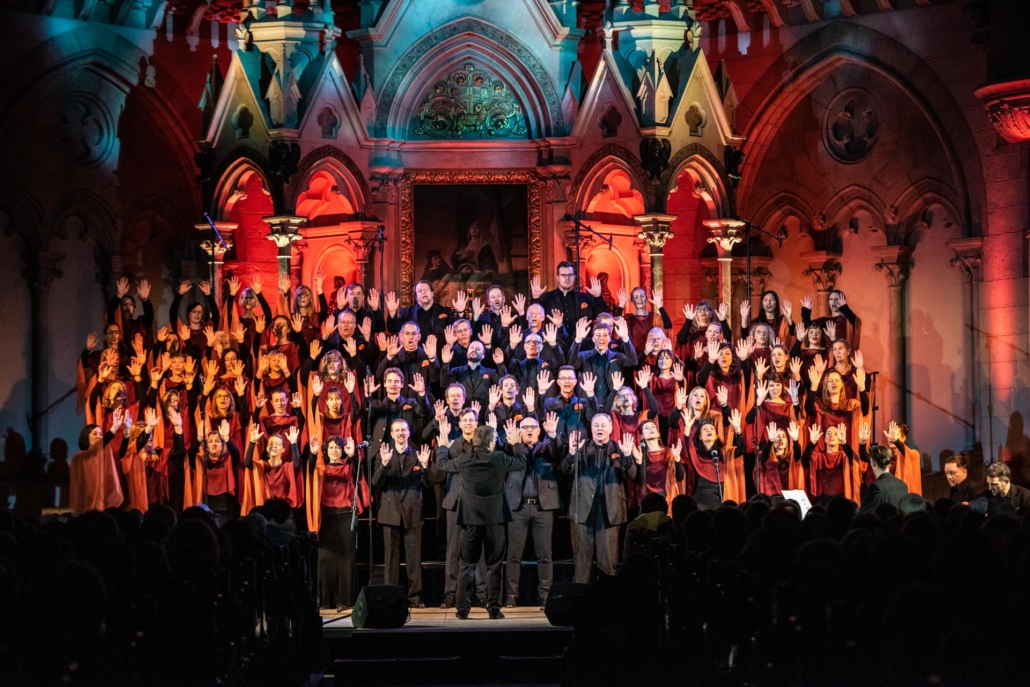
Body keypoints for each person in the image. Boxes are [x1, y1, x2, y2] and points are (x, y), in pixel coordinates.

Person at [436, 422, 527, 620]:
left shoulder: (464, 460)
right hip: (495, 522)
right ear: (492, 442)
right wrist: (517, 443)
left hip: (470, 522)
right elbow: (521, 462)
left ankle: (462, 610)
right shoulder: (500, 458)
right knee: (494, 566)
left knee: (466, 565)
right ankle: (493, 609)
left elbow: (441, 464)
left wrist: (443, 446)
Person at [560, 414, 638, 583]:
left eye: (603, 425)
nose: (600, 428)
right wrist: (572, 454)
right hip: (582, 509)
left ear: (610, 428)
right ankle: (580, 603)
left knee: (608, 562)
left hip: (609, 510)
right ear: (591, 429)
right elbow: (565, 470)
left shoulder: (619, 448)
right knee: (582, 563)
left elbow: (631, 475)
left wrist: (626, 456)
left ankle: (606, 604)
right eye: (596, 425)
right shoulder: (580, 447)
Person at [503, 413, 563, 610]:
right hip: (518, 507)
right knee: (513, 554)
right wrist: (515, 443)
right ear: (519, 431)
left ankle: (545, 596)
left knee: (544, 554)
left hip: (542, 508)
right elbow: (504, 454)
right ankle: (512, 595)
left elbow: (557, 453)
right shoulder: (512, 448)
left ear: (539, 430)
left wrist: (553, 435)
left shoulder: (547, 447)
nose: (529, 430)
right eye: (525, 427)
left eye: (533, 427)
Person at [373, 419, 433, 608]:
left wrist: (424, 466)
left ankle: (414, 597)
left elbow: (429, 483)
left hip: (412, 512)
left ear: (408, 433)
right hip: (390, 513)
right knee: (390, 559)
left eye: (403, 430)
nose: (400, 433)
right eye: (397, 430)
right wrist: (383, 464)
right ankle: (391, 597)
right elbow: (376, 482)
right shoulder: (384, 455)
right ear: (391, 434)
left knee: (414, 558)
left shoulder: (417, 455)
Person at [433, 408, 489, 610]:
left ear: (477, 423)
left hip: (478, 503)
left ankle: (481, 593)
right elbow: (443, 465)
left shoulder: (484, 445)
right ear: (460, 424)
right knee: (453, 550)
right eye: (464, 420)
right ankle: (451, 594)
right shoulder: (453, 444)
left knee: (479, 550)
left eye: (471, 420)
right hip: (455, 503)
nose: (468, 423)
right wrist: (444, 443)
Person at [307, 435, 369, 611]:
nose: (335, 450)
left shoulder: (349, 468)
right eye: (331, 447)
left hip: (345, 515)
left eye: (338, 448)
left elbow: (358, 473)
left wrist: (353, 456)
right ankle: (326, 600)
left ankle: (345, 600)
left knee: (346, 559)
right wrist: (312, 455)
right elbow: (309, 473)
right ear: (326, 451)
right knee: (325, 559)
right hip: (326, 516)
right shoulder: (321, 469)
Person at [69, 410, 126, 513]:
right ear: (86, 437)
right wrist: (113, 429)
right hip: (85, 505)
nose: (99, 436)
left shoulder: (103, 457)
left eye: (100, 434)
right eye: (95, 434)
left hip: (101, 505)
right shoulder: (79, 457)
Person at [530, 261, 609, 331]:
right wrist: (536, 298)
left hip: (583, 345)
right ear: (558, 278)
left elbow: (605, 317)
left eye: (570, 275)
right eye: (563, 275)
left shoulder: (586, 298)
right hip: (555, 344)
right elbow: (533, 318)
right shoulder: (547, 298)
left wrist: (598, 297)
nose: (567, 278)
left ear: (574, 277)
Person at [859, 444, 908, 513]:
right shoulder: (903, 485)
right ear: (890, 463)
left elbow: (864, 512)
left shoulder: (876, 487)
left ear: (873, 463)